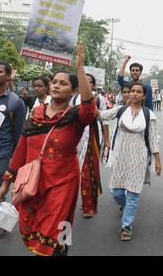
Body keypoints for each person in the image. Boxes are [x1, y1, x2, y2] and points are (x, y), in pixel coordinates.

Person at [0, 42, 98, 256]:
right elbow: (20, 152)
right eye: (55, 82)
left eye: (63, 83)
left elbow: (90, 108)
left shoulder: (75, 116)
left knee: (56, 228)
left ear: (74, 90)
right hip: (33, 182)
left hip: (63, 182)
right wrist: (5, 185)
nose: (56, 86)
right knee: (34, 226)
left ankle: (59, 250)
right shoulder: (35, 115)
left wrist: (79, 68)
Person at [98, 82, 161, 241]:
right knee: (116, 192)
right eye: (132, 91)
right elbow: (101, 115)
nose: (134, 94)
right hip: (120, 157)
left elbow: (153, 140)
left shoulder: (149, 115)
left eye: (139, 91)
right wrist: (88, 100)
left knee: (133, 194)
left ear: (144, 96)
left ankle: (127, 226)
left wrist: (157, 161)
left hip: (139, 158)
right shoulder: (121, 110)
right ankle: (126, 206)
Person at [0, 61, 26, 240]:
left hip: (1, 153)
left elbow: (20, 133)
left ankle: (1, 224)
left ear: (8, 76)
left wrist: (14, 161)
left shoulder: (15, 102)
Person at [72, 73, 108, 218]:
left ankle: (89, 205)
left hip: (92, 136)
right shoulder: (74, 98)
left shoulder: (99, 99)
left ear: (92, 85)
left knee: (88, 171)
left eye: (88, 82)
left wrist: (107, 139)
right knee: (74, 171)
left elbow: (104, 119)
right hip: (75, 138)